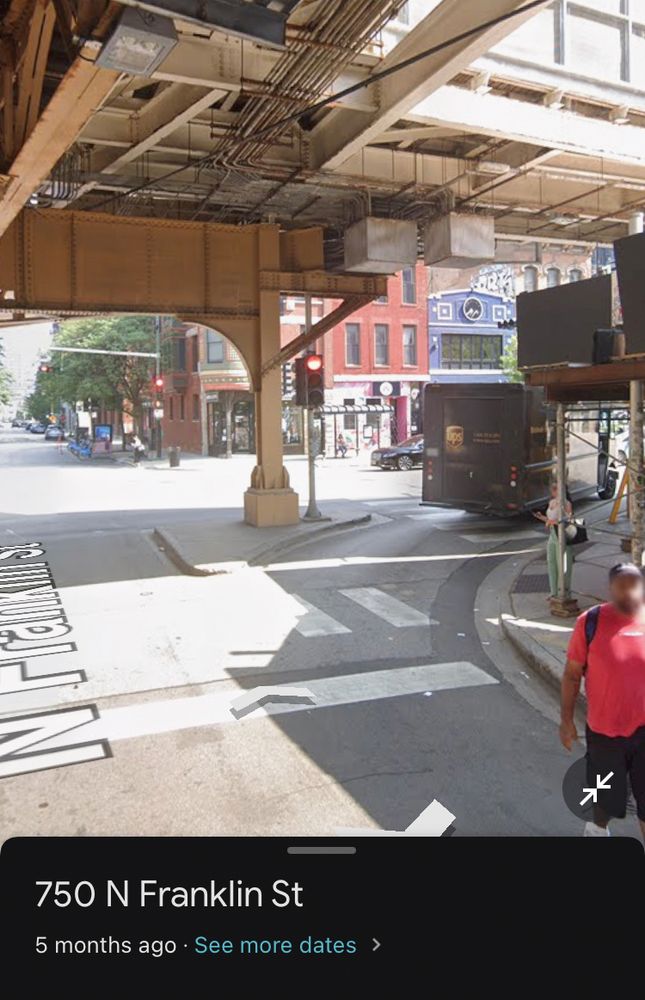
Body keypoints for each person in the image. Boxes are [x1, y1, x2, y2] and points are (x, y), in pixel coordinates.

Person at [560, 563, 645, 840]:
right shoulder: (590, 621)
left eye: (634, 584)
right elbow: (572, 676)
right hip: (604, 733)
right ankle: (597, 828)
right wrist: (566, 721)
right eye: (622, 585)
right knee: (606, 799)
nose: (628, 591)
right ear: (611, 588)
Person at [533, 482, 573, 601]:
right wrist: (543, 518)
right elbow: (550, 519)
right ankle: (553, 591)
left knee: (563, 564)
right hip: (552, 534)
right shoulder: (552, 502)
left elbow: (568, 521)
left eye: (556, 489)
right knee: (551, 562)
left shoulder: (566, 503)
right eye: (553, 489)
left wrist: (553, 522)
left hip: (562, 535)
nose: (553, 491)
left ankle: (565, 591)